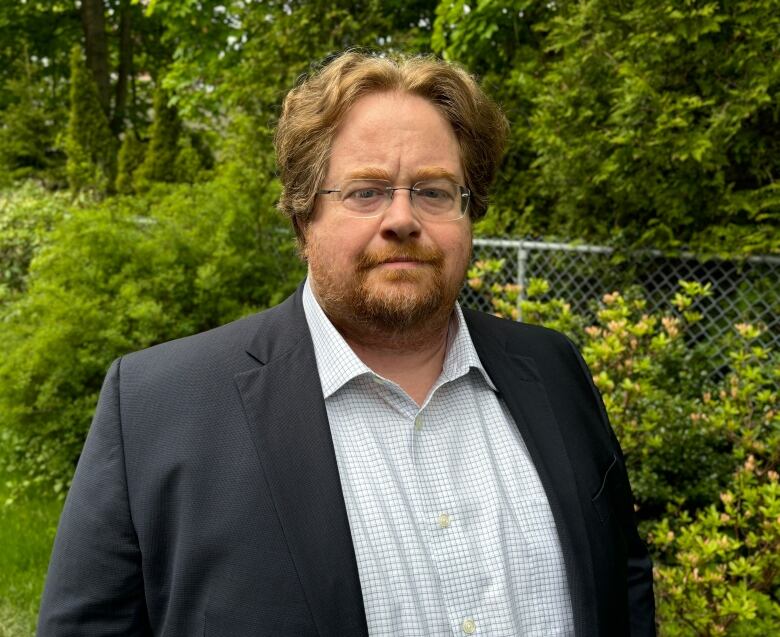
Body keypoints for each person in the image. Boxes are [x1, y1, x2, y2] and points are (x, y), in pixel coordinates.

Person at [38, 51, 655, 636]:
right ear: (304, 215)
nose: (402, 218)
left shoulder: (552, 368)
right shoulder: (160, 406)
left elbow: (622, 582)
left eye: (435, 191)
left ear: (470, 212)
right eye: (366, 191)